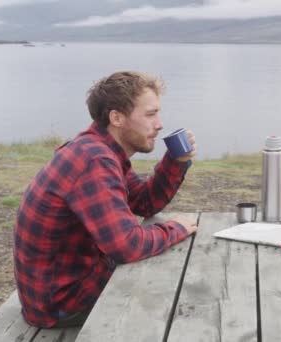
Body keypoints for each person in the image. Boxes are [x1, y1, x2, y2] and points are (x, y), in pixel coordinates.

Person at [13, 71, 198, 328]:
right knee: (179, 296)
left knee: (174, 271)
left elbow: (145, 202)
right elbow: (127, 246)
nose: (159, 124)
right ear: (117, 118)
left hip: (66, 286)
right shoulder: (94, 160)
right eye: (150, 114)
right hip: (61, 304)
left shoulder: (100, 151)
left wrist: (175, 162)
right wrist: (175, 228)